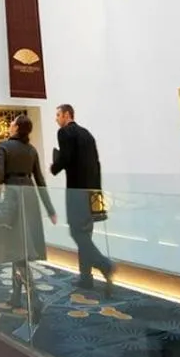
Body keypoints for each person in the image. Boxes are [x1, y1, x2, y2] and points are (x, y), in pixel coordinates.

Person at [0, 115, 57, 310]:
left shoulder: (3, 146)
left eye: (12, 123)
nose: (9, 125)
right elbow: (40, 179)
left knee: (15, 248)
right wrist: (50, 209)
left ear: (17, 128)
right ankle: (16, 296)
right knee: (19, 249)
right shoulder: (31, 150)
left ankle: (33, 294)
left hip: (12, 197)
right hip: (30, 198)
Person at [50, 104, 115, 294]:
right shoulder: (87, 134)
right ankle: (86, 277)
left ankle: (104, 264)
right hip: (92, 192)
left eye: (58, 115)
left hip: (76, 192)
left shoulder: (64, 133)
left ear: (67, 115)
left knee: (77, 233)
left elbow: (66, 158)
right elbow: (96, 164)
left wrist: (54, 167)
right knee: (85, 234)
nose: (56, 119)